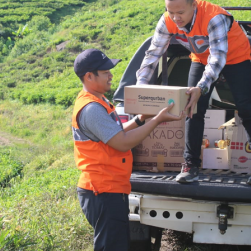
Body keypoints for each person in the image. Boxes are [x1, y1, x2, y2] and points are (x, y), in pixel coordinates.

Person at [136, 0, 251, 186]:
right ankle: (190, 165)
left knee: (247, 109)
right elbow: (153, 54)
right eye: (170, 12)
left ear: (194, 5)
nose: (175, 18)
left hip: (235, 57)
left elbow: (217, 59)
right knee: (192, 108)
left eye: (180, 12)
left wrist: (201, 87)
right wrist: (140, 86)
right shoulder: (167, 20)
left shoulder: (215, 18)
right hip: (200, 58)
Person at [72, 48, 183, 251]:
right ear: (89, 76)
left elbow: (113, 134)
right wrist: (157, 120)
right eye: (105, 72)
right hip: (102, 191)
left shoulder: (99, 102)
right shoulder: (92, 109)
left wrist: (140, 119)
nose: (111, 75)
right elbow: (122, 142)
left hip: (109, 189)